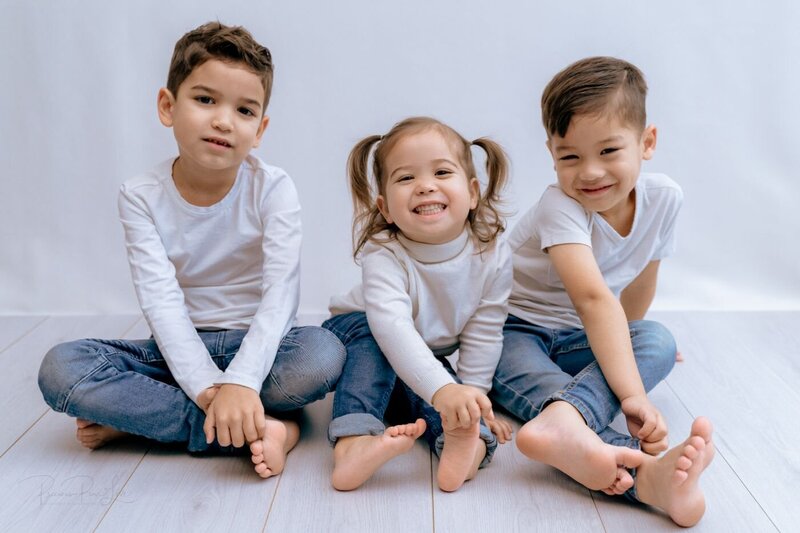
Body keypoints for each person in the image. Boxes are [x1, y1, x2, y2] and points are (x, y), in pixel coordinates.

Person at [37, 22, 345, 479]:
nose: (223, 120)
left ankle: (151, 424)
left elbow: (281, 295)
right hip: (175, 351)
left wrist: (241, 380)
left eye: (243, 110)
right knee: (61, 368)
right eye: (205, 100)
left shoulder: (273, 188)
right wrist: (207, 390)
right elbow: (161, 303)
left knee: (323, 353)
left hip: (262, 348)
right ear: (168, 106)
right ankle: (263, 427)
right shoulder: (141, 195)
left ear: (259, 130)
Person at [490, 57, 714, 527]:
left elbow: (639, 281)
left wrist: (628, 350)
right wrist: (632, 394)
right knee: (560, 398)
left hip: (578, 336)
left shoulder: (664, 198)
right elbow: (593, 299)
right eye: (569, 157)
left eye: (609, 151)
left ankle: (568, 421)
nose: (590, 173)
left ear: (646, 142)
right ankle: (647, 475)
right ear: (551, 154)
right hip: (511, 331)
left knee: (655, 339)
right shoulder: (560, 206)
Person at [324, 116, 514, 492]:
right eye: (405, 178)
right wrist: (443, 389)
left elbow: (485, 327)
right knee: (381, 344)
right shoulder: (384, 253)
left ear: (473, 193)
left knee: (443, 386)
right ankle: (353, 442)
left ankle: (465, 444)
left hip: (419, 356)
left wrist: (472, 395)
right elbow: (393, 330)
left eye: (442, 172)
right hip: (361, 337)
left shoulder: (491, 253)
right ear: (385, 208)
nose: (425, 186)